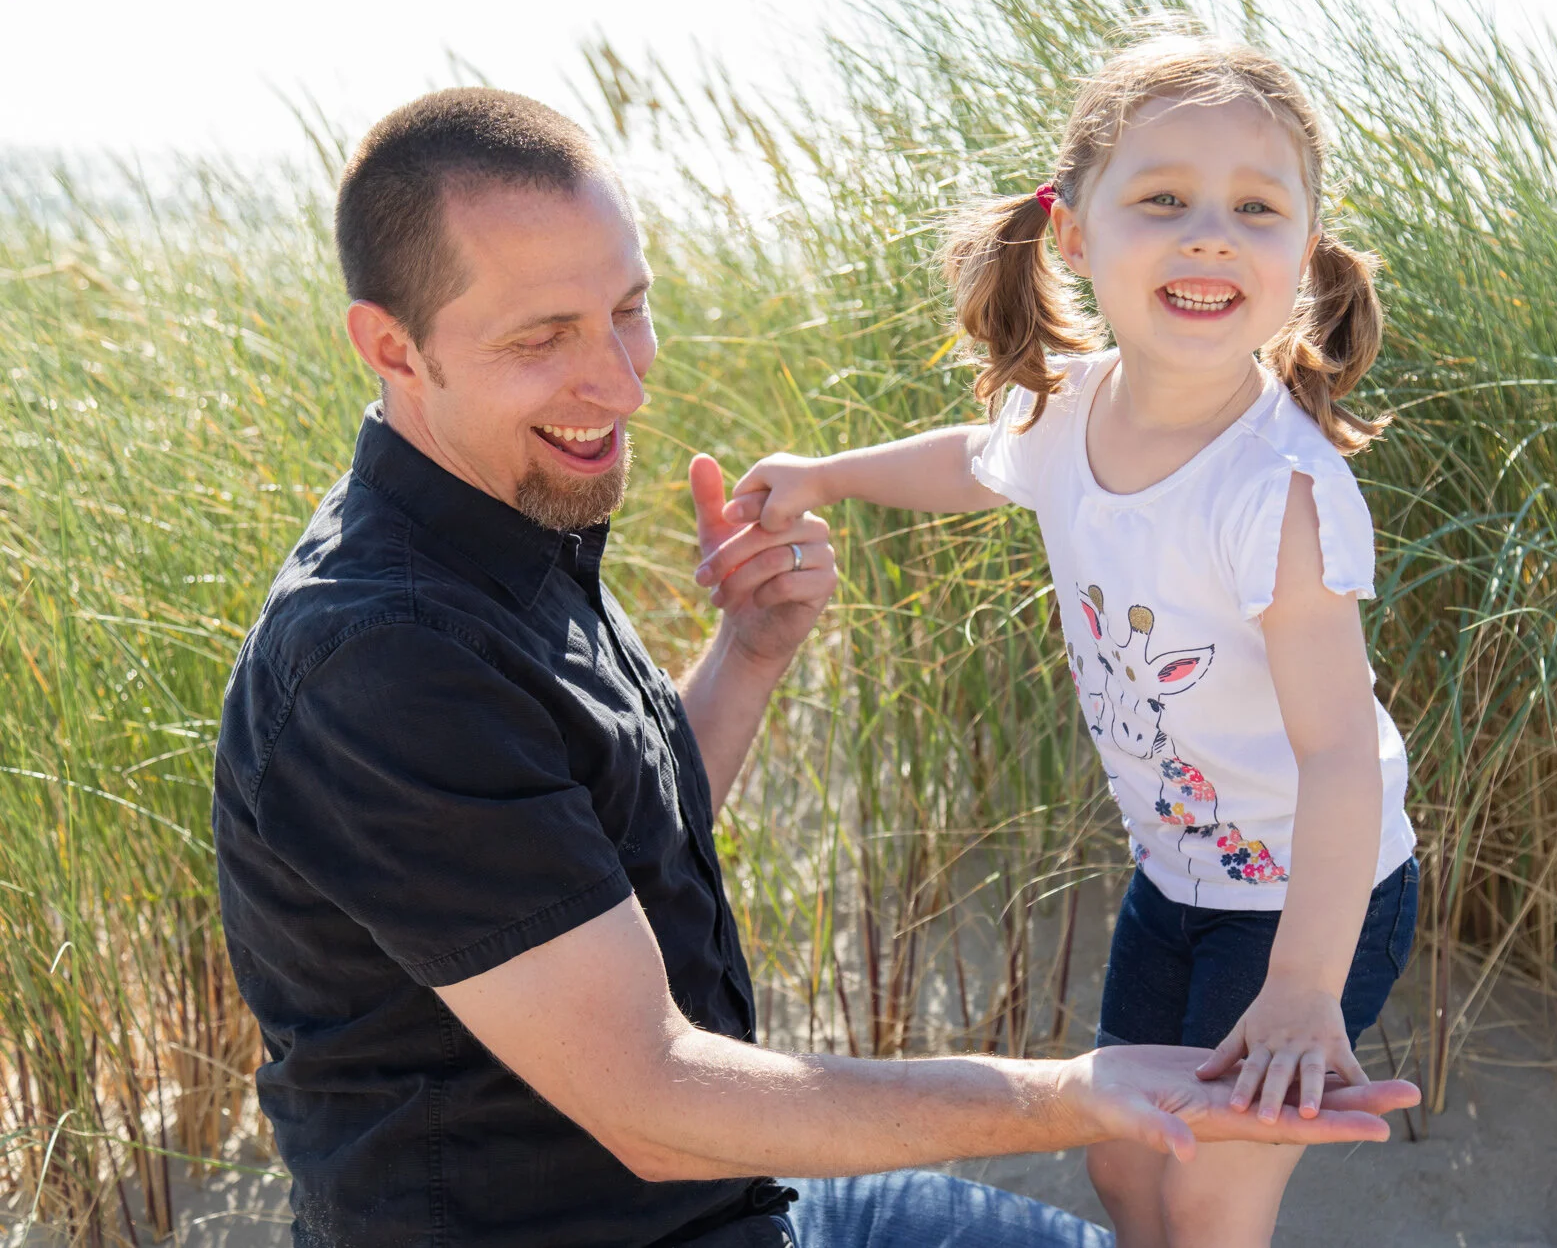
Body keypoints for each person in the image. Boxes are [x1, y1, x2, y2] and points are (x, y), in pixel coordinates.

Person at [210, 86, 1418, 1248]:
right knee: (1148, 1160)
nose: (624, 382)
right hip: (601, 1222)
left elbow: (613, 853)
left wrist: (749, 654)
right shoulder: (382, 660)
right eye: (544, 337)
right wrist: (1081, 1091)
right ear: (391, 345)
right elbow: (652, 1104)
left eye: (629, 310)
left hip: (737, 1200)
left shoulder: (507, 529)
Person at [725, 23, 1422, 1248]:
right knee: (1124, 1169)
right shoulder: (1068, 408)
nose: (1209, 231)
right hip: (1174, 881)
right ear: (1073, 230)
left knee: (1209, 1193)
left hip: (1315, 901)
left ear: (1302, 254)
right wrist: (825, 474)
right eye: (1162, 197)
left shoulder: (1282, 494)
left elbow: (1336, 758)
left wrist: (1302, 989)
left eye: (1256, 209)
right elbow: (973, 460)